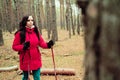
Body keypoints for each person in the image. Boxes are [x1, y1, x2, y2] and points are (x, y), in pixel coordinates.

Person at [12, 15, 54, 80]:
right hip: (25, 59)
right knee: (25, 78)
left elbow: (41, 43)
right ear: (25, 22)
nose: (31, 22)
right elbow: (14, 46)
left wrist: (48, 45)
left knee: (37, 77)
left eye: (32, 20)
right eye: (28, 20)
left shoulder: (36, 32)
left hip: (36, 58)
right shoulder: (20, 33)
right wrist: (23, 46)